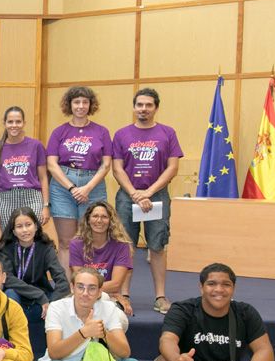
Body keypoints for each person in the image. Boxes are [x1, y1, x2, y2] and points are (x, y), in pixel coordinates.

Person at [111, 88, 183, 314]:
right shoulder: (122, 134)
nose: (143, 109)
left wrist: (149, 192)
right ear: (134, 107)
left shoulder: (167, 133)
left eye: (148, 105)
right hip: (127, 196)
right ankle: (123, 296)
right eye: (139, 105)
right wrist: (134, 193)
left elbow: (172, 167)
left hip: (157, 196)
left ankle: (160, 296)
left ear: (156, 108)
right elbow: (117, 168)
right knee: (125, 247)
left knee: (158, 246)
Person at [46, 86, 113, 270]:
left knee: (92, 239)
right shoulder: (59, 132)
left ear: (91, 105)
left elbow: (106, 164)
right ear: (70, 105)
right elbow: (52, 164)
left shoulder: (102, 132)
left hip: (93, 185)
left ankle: (89, 286)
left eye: (85, 102)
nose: (81, 106)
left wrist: (87, 188)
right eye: (76, 102)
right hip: (63, 186)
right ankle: (67, 290)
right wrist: (72, 188)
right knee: (66, 242)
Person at [0, 207, 70, 358]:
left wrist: (51, 305)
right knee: (10, 293)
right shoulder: (5, 248)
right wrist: (39, 294)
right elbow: (7, 278)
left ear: (36, 226)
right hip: (16, 300)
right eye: (19, 226)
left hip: (41, 305)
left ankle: (54, 351)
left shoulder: (45, 247)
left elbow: (62, 280)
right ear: (13, 231)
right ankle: (10, 347)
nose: (24, 230)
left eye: (28, 224)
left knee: (60, 302)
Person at [69, 201, 134, 317]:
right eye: (95, 216)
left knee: (112, 313)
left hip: (106, 296)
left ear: (111, 221)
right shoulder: (76, 244)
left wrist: (90, 289)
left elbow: (116, 284)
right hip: (85, 295)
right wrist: (104, 291)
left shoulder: (122, 246)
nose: (99, 221)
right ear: (88, 220)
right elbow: (79, 281)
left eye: (104, 217)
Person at [0, 106, 50, 230]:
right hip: (6, 198)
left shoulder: (36, 145)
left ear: (24, 123)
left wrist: (45, 206)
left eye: (18, 121)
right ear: (4, 123)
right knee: (8, 240)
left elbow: (43, 178)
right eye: (10, 122)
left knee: (32, 238)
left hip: (32, 197)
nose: (14, 125)